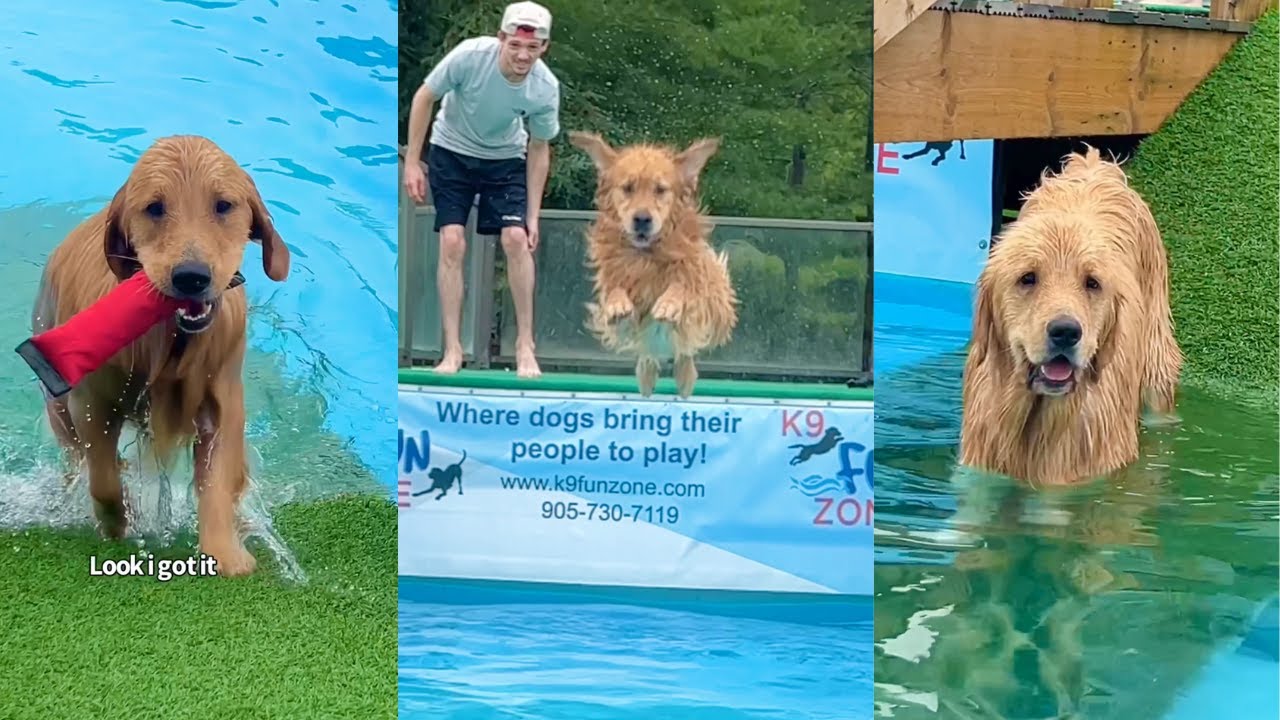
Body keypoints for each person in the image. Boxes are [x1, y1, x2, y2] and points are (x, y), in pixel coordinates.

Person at [403, 1, 560, 379]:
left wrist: (533, 214)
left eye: (533, 48)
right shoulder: (470, 56)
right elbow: (424, 96)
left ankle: (525, 344)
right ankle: (453, 348)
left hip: (505, 159)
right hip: (451, 151)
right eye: (515, 45)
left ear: (544, 47)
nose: (523, 56)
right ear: (501, 38)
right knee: (452, 240)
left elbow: (539, 149)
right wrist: (412, 162)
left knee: (516, 239)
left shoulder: (545, 88)